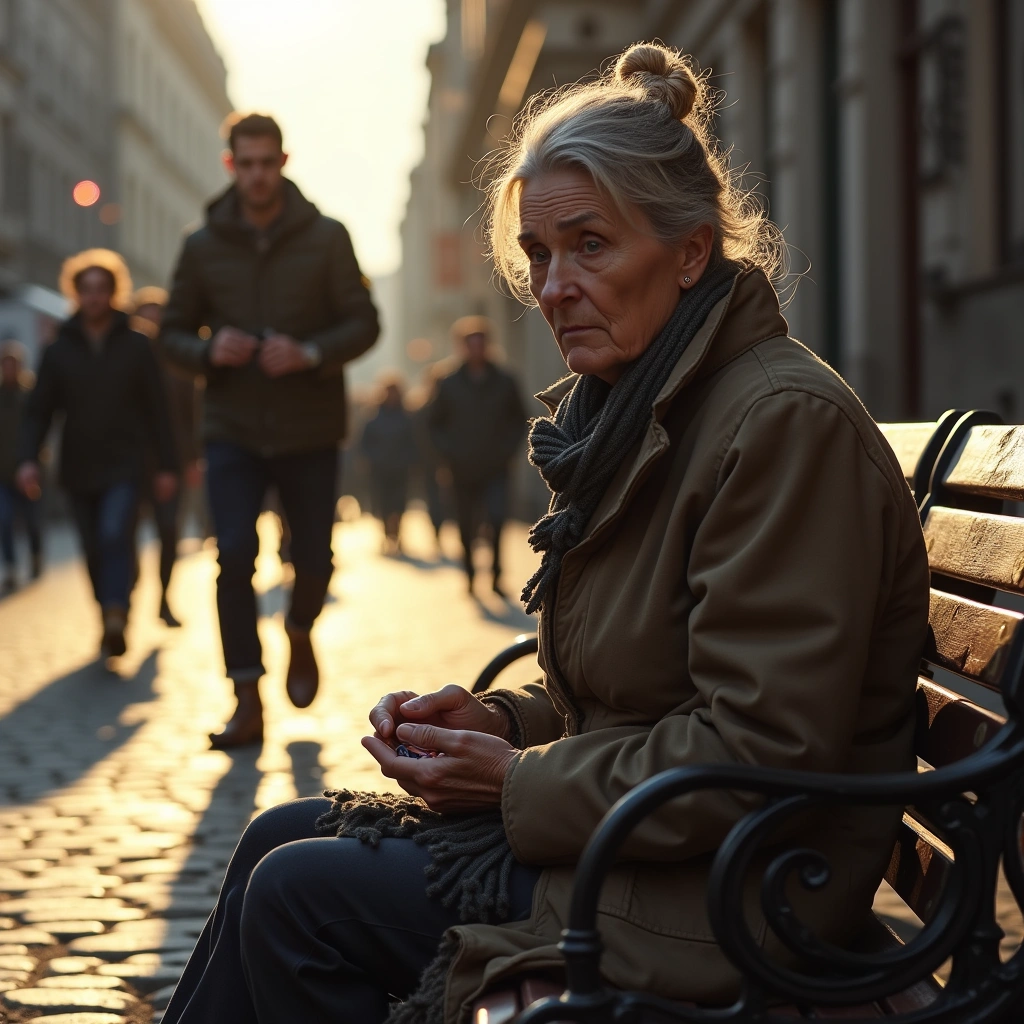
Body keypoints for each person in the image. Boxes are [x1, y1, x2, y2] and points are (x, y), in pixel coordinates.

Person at [161, 44, 929, 1024]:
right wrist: (504, 722)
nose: (555, 284)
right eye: (537, 254)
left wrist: (518, 778)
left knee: (299, 896)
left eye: (590, 245)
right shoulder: (649, 405)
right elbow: (647, 687)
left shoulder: (775, 422)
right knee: (279, 833)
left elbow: (760, 746)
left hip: (737, 887)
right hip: (655, 844)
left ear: (691, 251)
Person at [160, 112, 379, 749]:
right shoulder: (201, 244)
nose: (256, 174)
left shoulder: (328, 236)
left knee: (312, 556)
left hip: (309, 425)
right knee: (232, 556)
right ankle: (246, 697)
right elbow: (171, 333)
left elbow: (365, 323)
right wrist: (207, 349)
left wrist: (309, 352)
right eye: (244, 163)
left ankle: (302, 630)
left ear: (283, 162)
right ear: (231, 165)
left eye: (266, 162)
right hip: (231, 426)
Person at [16, 250, 178, 658]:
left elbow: (159, 409)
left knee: (114, 533)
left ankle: (116, 611)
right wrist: (28, 459)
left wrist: (168, 465)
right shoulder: (59, 350)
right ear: (76, 293)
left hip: (126, 462)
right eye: (85, 289)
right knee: (92, 546)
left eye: (101, 289)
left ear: (113, 292)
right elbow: (39, 411)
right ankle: (108, 610)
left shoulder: (138, 344)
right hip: (78, 464)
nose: (93, 297)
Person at [427, 318, 526, 596]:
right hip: (461, 468)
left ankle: (495, 576)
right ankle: (470, 575)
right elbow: (433, 424)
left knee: (496, 520)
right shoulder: (448, 383)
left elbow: (520, 419)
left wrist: (507, 450)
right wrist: (448, 453)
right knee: (465, 524)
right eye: (470, 345)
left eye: (481, 344)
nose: (476, 350)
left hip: (495, 466)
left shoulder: (505, 381)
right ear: (462, 347)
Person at [131, 286, 201, 627]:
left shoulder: (178, 364)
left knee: (169, 531)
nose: (152, 322)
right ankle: (124, 594)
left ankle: (163, 598)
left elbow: (193, 415)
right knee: (123, 531)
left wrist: (192, 460)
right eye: (145, 314)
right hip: (130, 462)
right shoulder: (125, 357)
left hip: (172, 461)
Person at [359, 374, 418, 554]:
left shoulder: (407, 418)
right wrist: (371, 459)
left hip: (400, 469)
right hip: (380, 469)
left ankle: (397, 533)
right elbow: (364, 444)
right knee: (383, 504)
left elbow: (414, 443)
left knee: (398, 504)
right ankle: (387, 535)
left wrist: (410, 461)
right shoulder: (374, 418)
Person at [0, 340, 41, 591]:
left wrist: (36, 463)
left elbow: (39, 430)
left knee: (32, 521)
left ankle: (36, 556)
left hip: (28, 472)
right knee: (4, 520)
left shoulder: (30, 396)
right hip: (2, 474)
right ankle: (12, 567)